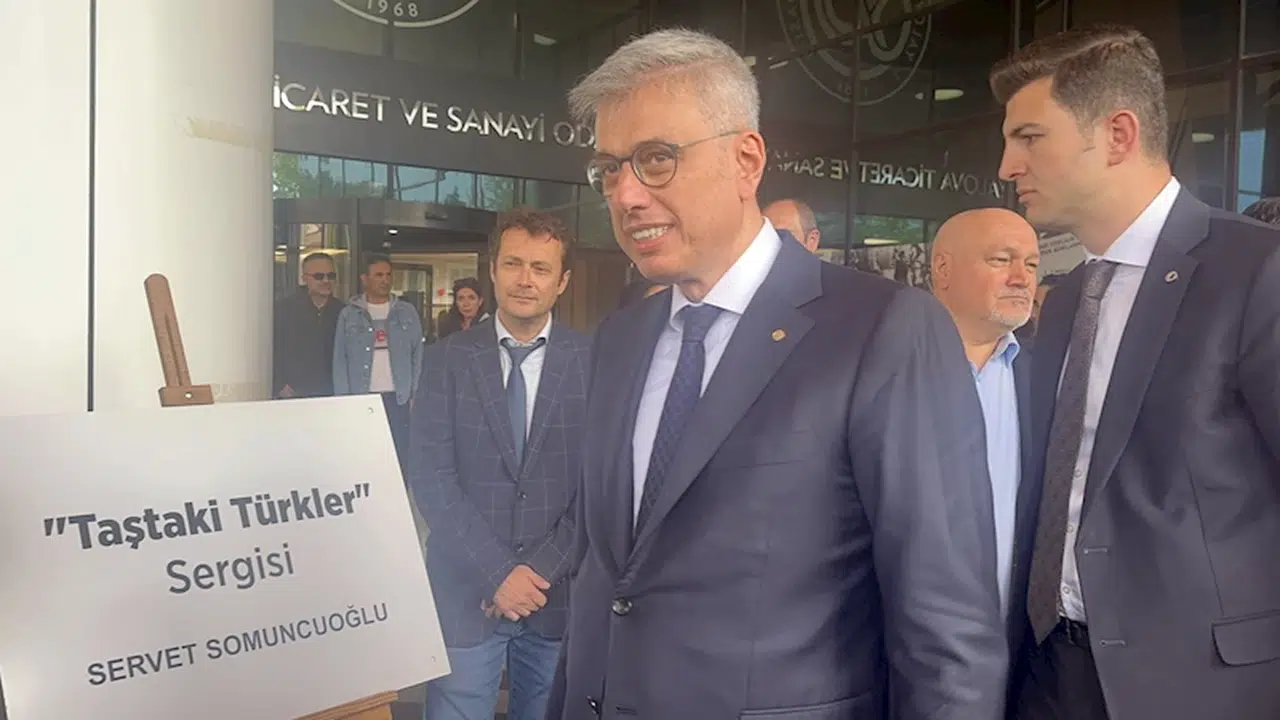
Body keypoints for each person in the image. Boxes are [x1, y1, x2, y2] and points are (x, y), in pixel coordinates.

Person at [549, 28, 1007, 719]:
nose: (627, 194)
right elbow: (604, 578)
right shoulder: (619, 339)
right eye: (610, 170)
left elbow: (947, 635)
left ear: (746, 160)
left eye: (656, 159)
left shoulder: (882, 330)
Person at [991, 24, 1280, 719]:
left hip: (1201, 686)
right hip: (1047, 669)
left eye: (1029, 137)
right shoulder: (1066, 301)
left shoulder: (1255, 271)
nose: (1006, 165)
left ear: (1118, 135)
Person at [410, 209, 589, 720]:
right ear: (492, 270)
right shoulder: (445, 360)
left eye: (540, 267)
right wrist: (498, 573)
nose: (525, 279)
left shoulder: (595, 362)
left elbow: (599, 485)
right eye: (513, 263)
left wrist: (535, 573)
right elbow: (431, 478)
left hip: (554, 598)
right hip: (466, 592)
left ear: (562, 282)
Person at [929, 208, 1039, 649]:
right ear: (943, 269)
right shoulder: (882, 369)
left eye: (1031, 264)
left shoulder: (1046, 378)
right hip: (896, 652)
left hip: (1013, 649)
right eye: (1000, 260)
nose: (1021, 278)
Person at [333, 254, 424, 472]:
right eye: (379, 275)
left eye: (388, 275)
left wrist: (416, 393)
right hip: (362, 396)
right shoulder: (349, 314)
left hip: (398, 396)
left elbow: (418, 354)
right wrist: (343, 399)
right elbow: (340, 358)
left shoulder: (406, 311)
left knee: (400, 454)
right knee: (365, 455)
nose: (385, 280)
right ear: (365, 278)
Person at [273, 252, 344, 398]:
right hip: (292, 395)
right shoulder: (284, 310)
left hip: (332, 394)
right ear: (304, 278)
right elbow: (270, 350)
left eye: (331, 276)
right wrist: (279, 385)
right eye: (319, 276)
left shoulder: (344, 312)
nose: (326, 281)